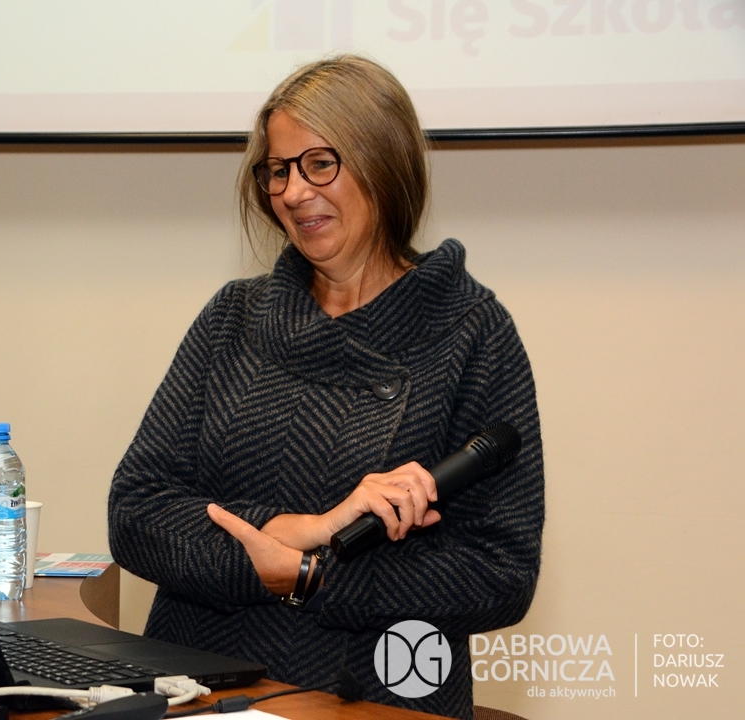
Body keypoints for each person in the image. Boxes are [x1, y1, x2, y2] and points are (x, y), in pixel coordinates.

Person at [107, 55, 543, 720]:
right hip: (199, 686)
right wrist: (296, 532)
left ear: (384, 163)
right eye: (278, 170)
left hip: (377, 696)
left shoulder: (471, 331)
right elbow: (135, 512)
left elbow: (500, 574)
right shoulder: (233, 317)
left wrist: (314, 578)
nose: (292, 192)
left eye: (319, 164)